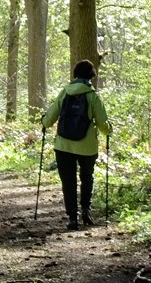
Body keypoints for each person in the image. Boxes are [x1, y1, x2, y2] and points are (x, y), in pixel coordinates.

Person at [41, 59, 111, 230]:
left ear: (75, 75)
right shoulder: (93, 96)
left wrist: (43, 121)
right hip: (87, 147)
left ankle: (72, 217)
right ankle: (86, 210)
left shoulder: (65, 93)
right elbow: (103, 125)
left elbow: (49, 119)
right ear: (91, 76)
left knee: (68, 180)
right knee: (87, 177)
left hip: (63, 145)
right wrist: (109, 130)